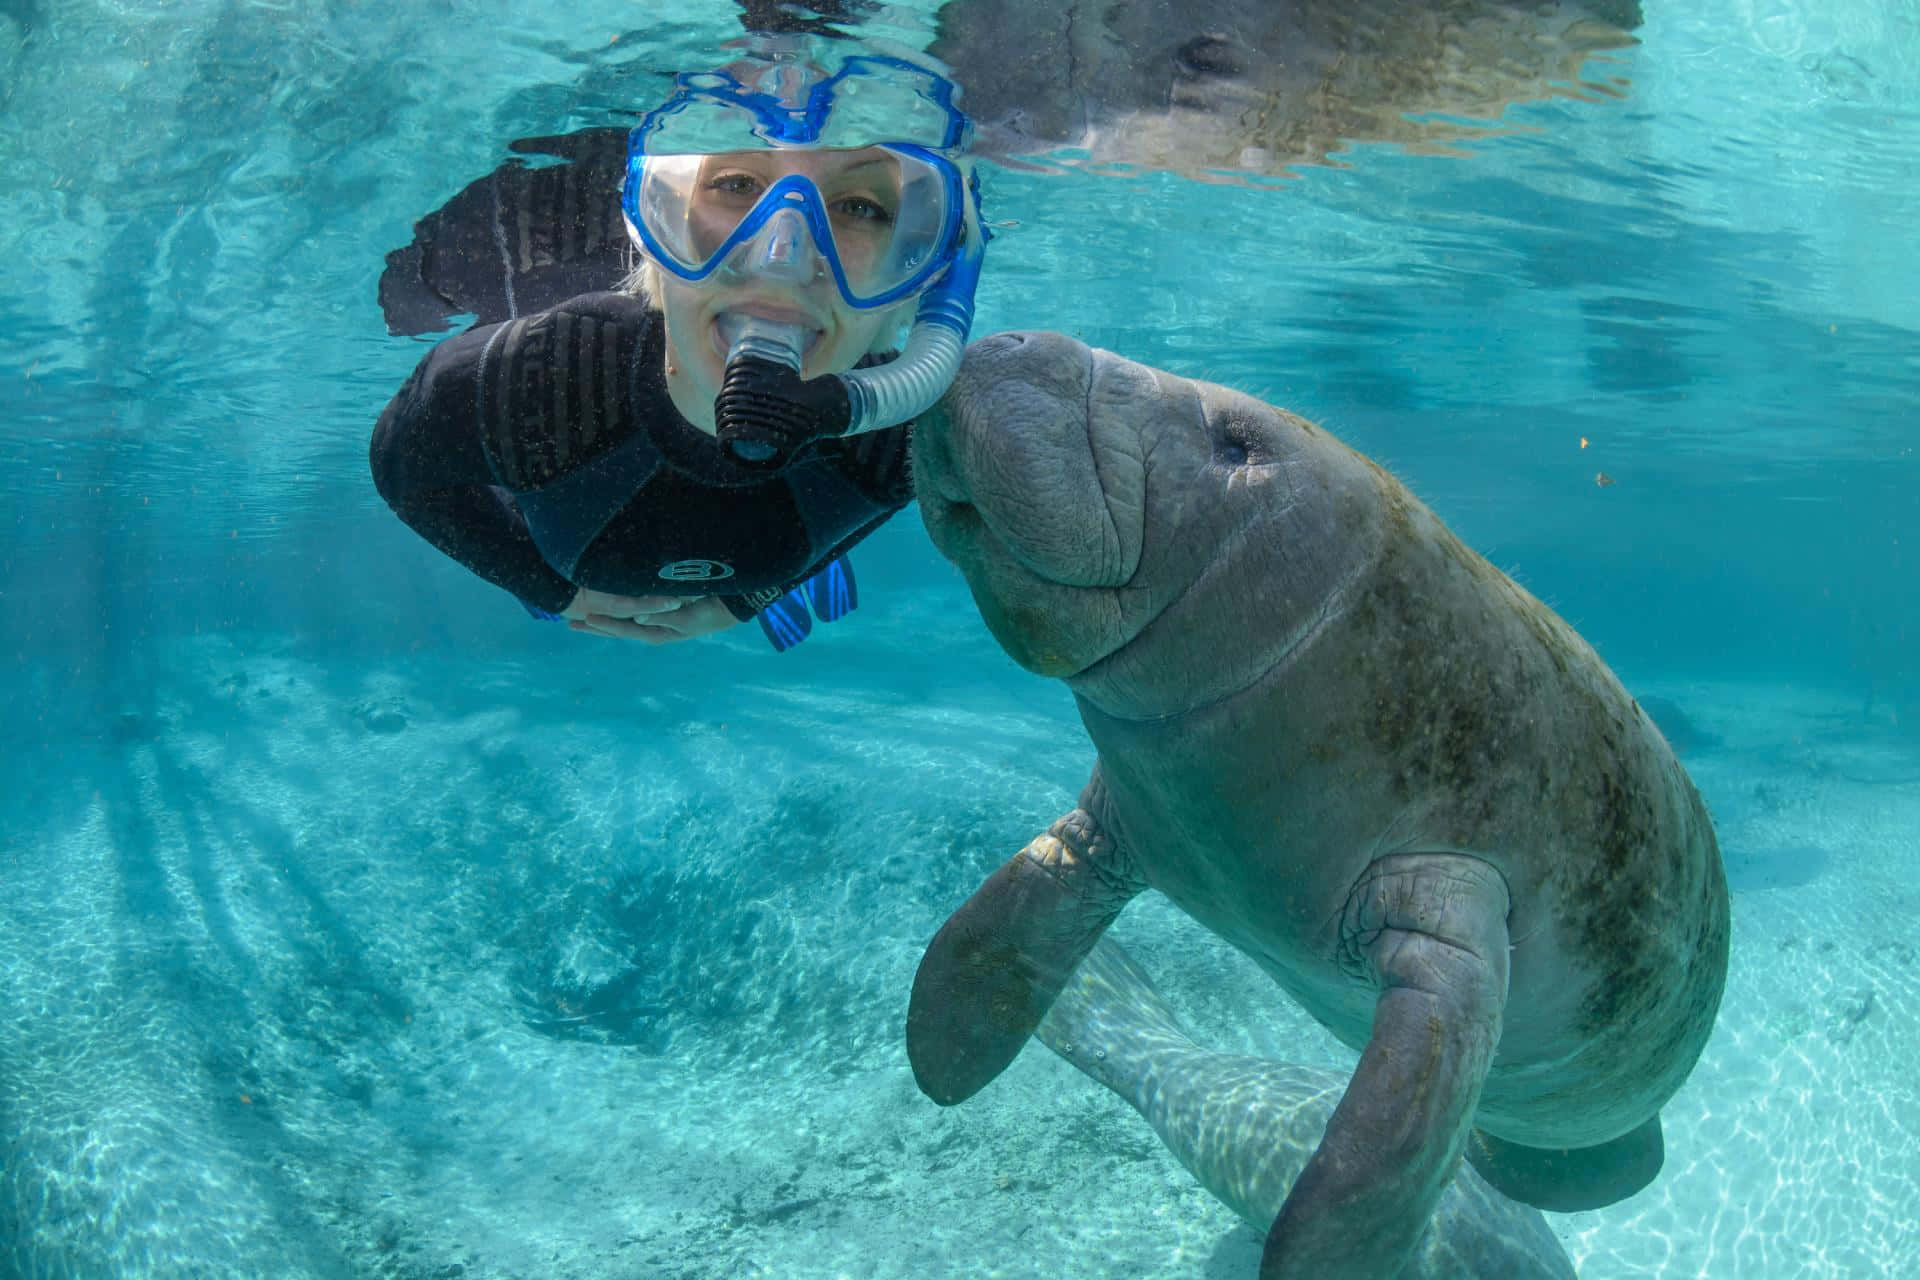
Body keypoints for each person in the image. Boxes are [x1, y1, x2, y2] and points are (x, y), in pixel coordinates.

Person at [370, 54, 987, 650]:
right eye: (737, 185)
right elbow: (402, 467)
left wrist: (753, 595)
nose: (784, 262)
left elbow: (881, 497)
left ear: (919, 274)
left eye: (859, 207)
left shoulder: (908, 428)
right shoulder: (535, 374)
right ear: (659, 225)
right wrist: (540, 583)